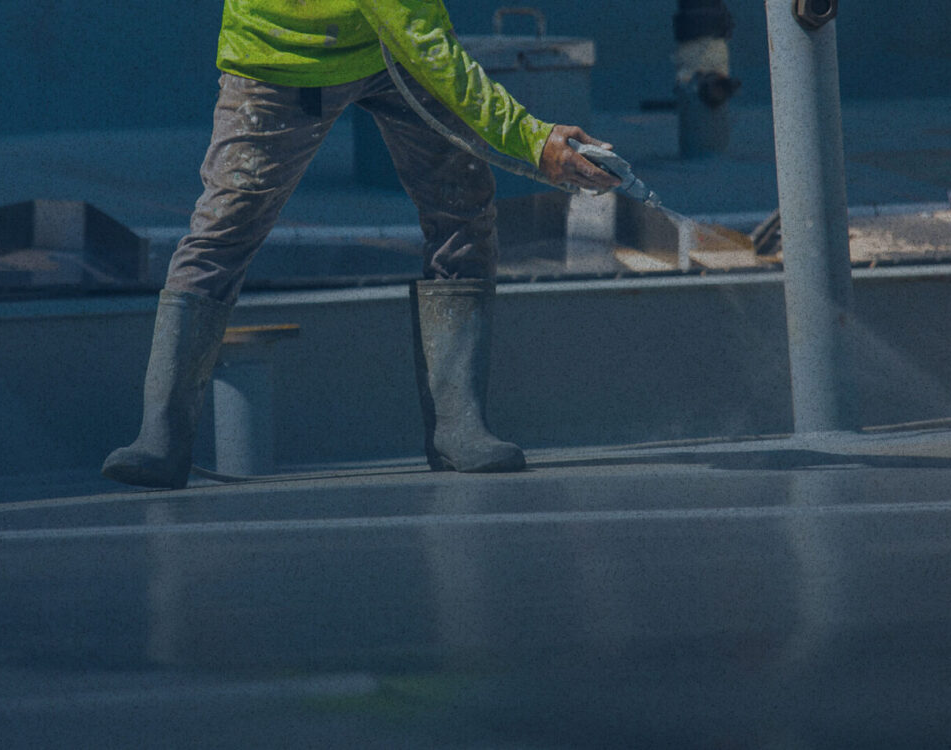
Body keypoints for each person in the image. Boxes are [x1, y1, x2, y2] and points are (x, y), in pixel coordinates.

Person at [103, 0, 621, 489]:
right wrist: (532, 140)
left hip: (388, 49)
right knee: (225, 226)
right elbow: (421, 32)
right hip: (281, 52)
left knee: (462, 206)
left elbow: (412, 30)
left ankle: (459, 427)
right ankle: (162, 437)